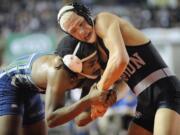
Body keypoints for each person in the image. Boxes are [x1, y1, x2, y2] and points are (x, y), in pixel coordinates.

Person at [57, 2, 180, 135]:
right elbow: (125, 82)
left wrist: (99, 90)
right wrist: (111, 97)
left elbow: (120, 60)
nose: (82, 32)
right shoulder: (95, 54)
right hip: (144, 103)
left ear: (86, 15)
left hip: (168, 93)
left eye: (80, 24)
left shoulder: (103, 20)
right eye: (74, 31)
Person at [0, 35, 116, 135]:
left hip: (31, 89)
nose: (97, 67)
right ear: (75, 64)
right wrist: (89, 99)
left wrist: (100, 106)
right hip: (10, 83)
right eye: (92, 63)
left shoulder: (91, 75)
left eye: (96, 60)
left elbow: (80, 121)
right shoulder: (58, 72)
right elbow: (51, 120)